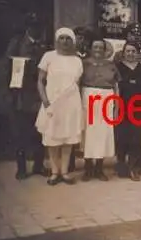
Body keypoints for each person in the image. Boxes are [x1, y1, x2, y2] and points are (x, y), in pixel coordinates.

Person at [35, 27, 83, 185]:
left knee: (68, 138)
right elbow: (40, 81)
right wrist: (45, 101)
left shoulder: (77, 60)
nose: (65, 41)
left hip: (71, 103)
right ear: (57, 40)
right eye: (61, 38)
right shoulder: (48, 56)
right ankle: (54, 172)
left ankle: (65, 171)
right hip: (52, 102)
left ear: (72, 41)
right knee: (52, 137)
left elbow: (78, 84)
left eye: (68, 38)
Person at [6, 12, 49, 180]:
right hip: (21, 94)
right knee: (20, 133)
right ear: (27, 27)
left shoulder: (45, 46)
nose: (36, 30)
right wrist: (9, 93)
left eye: (39, 26)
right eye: (33, 26)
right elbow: (8, 69)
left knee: (39, 131)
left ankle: (38, 165)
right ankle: (21, 168)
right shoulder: (16, 44)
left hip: (39, 95)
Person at [80, 36, 120, 182]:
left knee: (103, 132)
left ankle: (99, 168)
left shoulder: (111, 65)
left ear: (105, 50)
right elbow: (77, 83)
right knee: (89, 132)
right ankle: (88, 167)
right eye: (95, 47)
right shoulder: (83, 64)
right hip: (88, 97)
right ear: (91, 49)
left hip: (106, 98)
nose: (98, 50)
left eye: (101, 48)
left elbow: (116, 86)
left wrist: (116, 106)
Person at [114, 42, 141, 181]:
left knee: (136, 137)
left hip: (138, 108)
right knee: (121, 136)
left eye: (133, 51)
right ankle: (121, 164)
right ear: (123, 53)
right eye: (128, 51)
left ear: (137, 53)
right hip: (122, 107)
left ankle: (133, 167)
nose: (130, 53)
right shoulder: (118, 67)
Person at [68, 26, 94, 174]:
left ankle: (88, 162)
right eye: (79, 37)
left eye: (85, 38)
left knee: (86, 128)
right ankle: (70, 162)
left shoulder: (90, 56)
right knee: (71, 127)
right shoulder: (70, 55)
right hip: (73, 94)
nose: (82, 41)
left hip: (86, 95)